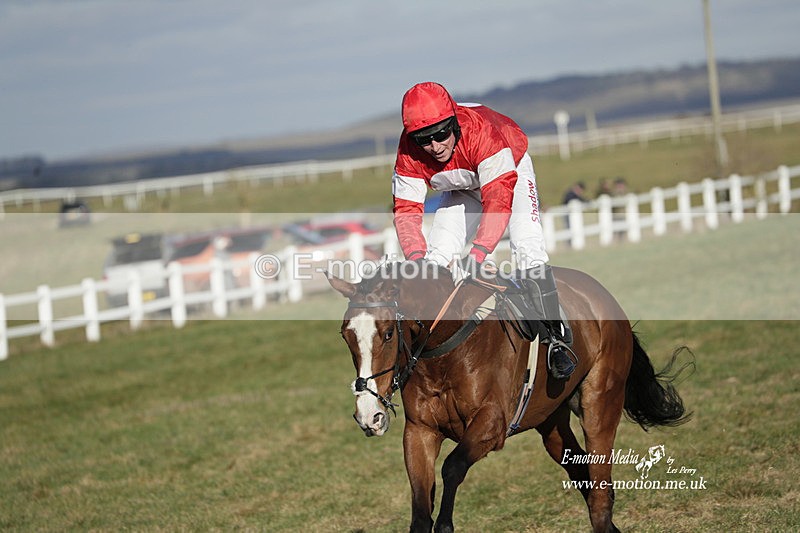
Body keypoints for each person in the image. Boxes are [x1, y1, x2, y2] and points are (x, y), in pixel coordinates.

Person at [392, 82, 575, 379]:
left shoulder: (482, 133)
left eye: (441, 134)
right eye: (424, 139)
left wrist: (478, 254)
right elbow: (406, 210)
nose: (435, 146)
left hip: (508, 175)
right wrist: (416, 259)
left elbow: (499, 201)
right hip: (462, 188)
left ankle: (557, 341)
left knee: (527, 248)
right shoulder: (408, 152)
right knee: (435, 261)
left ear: (454, 123)